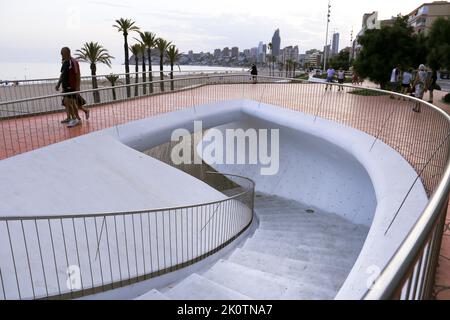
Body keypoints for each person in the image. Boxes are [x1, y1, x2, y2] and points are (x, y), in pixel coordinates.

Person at [55, 47, 88, 127]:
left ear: (67, 53)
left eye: (62, 53)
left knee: (72, 103)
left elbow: (78, 74)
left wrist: (78, 86)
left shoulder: (73, 62)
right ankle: (74, 119)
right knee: (67, 103)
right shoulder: (65, 62)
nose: (61, 55)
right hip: (66, 87)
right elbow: (62, 74)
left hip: (72, 87)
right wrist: (59, 84)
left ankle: (77, 119)